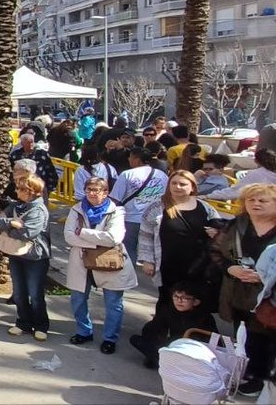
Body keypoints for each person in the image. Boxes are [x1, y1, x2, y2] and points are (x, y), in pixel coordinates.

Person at [210, 183, 276, 396]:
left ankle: (262, 380)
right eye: (251, 200)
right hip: (237, 290)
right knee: (244, 335)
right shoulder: (237, 224)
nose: (255, 203)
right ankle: (246, 374)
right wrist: (230, 268)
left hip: (269, 297)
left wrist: (265, 276)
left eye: (262, 200)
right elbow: (215, 250)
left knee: (265, 339)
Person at [64, 177, 138, 355]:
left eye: (96, 190)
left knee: (113, 303)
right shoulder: (76, 209)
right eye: (89, 189)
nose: (91, 193)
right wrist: (97, 241)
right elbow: (68, 236)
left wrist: (82, 232)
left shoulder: (116, 211)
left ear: (105, 193)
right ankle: (84, 331)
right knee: (78, 299)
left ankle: (110, 338)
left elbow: (114, 238)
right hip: (81, 262)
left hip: (109, 261)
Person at [139, 170, 225, 310]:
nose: (177, 187)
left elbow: (220, 230)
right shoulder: (156, 207)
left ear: (192, 187)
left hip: (198, 266)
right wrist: (148, 260)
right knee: (168, 302)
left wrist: (216, 234)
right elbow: (145, 235)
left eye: (182, 184)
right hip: (167, 265)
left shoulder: (205, 207)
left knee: (195, 302)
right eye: (174, 183)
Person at [0, 174, 52, 341]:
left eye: (20, 188)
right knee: (19, 293)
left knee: (35, 294)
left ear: (31, 191)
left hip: (35, 257)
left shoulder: (39, 210)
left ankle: (40, 325)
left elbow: (27, 233)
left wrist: (8, 229)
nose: (16, 191)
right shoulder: (15, 206)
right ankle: (23, 322)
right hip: (16, 254)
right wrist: (11, 223)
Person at [128, 282, 216, 369]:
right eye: (176, 297)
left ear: (196, 302)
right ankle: (162, 360)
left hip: (192, 351)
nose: (179, 301)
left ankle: (163, 361)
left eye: (185, 298)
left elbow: (214, 340)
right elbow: (152, 330)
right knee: (136, 339)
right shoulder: (167, 311)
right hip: (171, 346)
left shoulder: (204, 317)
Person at [108, 147, 168, 261]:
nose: (129, 160)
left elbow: (115, 198)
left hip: (132, 219)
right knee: (153, 252)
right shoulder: (162, 175)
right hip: (155, 219)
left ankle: (131, 271)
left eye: (130, 157)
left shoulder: (127, 174)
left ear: (137, 159)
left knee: (128, 250)